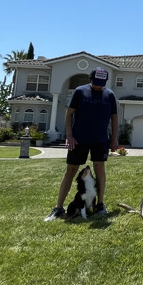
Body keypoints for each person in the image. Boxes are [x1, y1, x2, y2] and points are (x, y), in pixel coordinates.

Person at [45, 67, 119, 220]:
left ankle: (100, 204)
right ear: (91, 80)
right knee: (71, 170)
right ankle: (58, 208)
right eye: (96, 83)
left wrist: (114, 139)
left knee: (99, 168)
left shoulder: (109, 94)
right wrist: (69, 135)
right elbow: (69, 114)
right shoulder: (80, 91)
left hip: (100, 139)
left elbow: (114, 118)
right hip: (79, 139)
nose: (98, 86)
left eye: (101, 84)